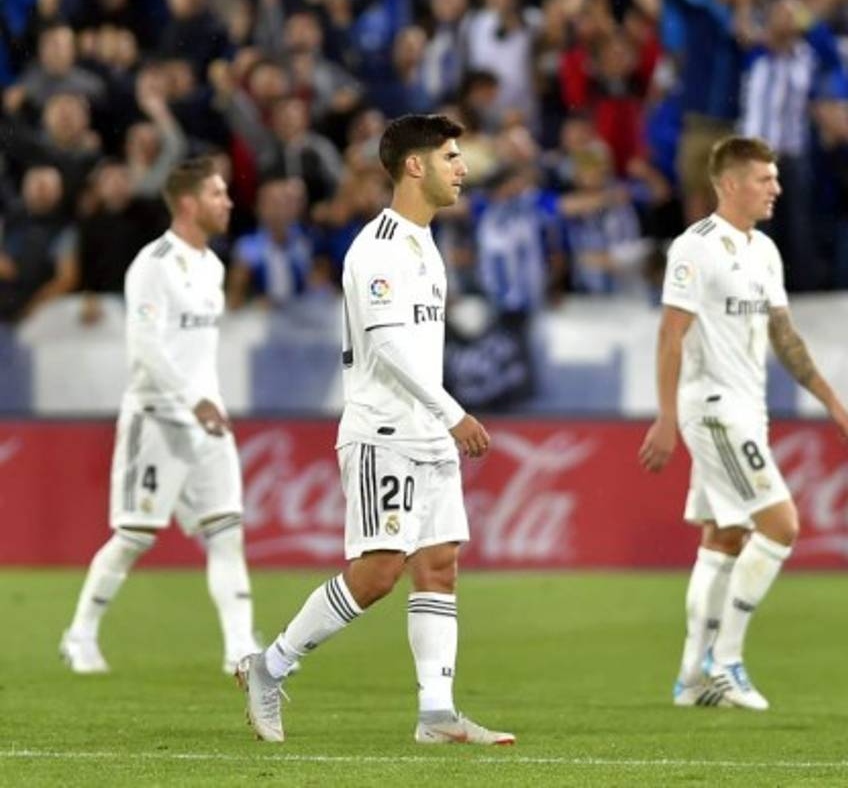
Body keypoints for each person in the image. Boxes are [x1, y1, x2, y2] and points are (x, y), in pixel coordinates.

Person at [237, 114, 514, 746]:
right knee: (378, 573)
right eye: (450, 156)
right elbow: (387, 348)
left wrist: (440, 421)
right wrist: (454, 413)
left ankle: (436, 714)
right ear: (414, 166)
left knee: (439, 564)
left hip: (427, 432)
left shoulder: (426, 245)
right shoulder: (379, 248)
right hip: (383, 431)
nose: (462, 168)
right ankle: (270, 666)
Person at [639, 136, 848, 711]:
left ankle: (692, 677)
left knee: (725, 535)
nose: (776, 189)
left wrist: (831, 399)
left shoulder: (764, 251)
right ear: (731, 183)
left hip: (747, 407)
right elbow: (671, 334)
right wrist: (666, 415)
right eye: (766, 179)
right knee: (782, 524)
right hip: (711, 407)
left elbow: (784, 336)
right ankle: (726, 659)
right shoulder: (695, 248)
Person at [60, 157, 260, 675]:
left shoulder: (214, 267)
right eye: (218, 194)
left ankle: (240, 647)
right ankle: (79, 634)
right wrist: (193, 398)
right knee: (134, 537)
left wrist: (206, 402)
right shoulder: (152, 265)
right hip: (157, 418)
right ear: (190, 203)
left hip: (207, 424)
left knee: (226, 531)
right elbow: (145, 345)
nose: (229, 202)